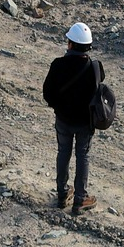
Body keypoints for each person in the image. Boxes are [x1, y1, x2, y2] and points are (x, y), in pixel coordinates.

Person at [43, 21, 106, 215]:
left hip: (63, 120)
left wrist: (59, 108)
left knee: (63, 152)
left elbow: (47, 93)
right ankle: (80, 199)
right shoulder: (95, 67)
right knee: (82, 156)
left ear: (70, 44)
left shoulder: (58, 65)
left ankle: (62, 193)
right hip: (85, 123)